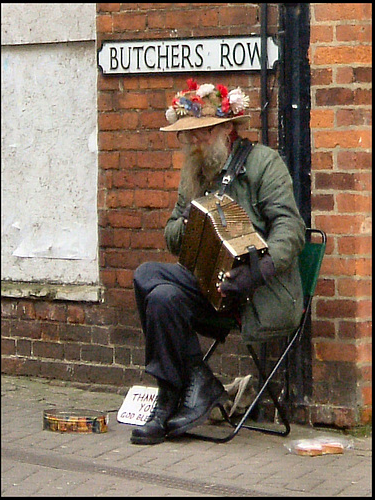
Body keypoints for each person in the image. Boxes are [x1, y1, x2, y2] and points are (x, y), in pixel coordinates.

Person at [130, 78, 306, 445]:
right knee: (149, 278)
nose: (195, 142)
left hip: (253, 296)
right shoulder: (194, 172)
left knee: (162, 298)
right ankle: (191, 381)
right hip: (208, 288)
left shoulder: (263, 163)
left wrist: (255, 273)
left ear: (228, 128)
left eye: (203, 132)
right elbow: (172, 235)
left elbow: (291, 230)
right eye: (189, 135)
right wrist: (196, 224)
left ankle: (173, 396)